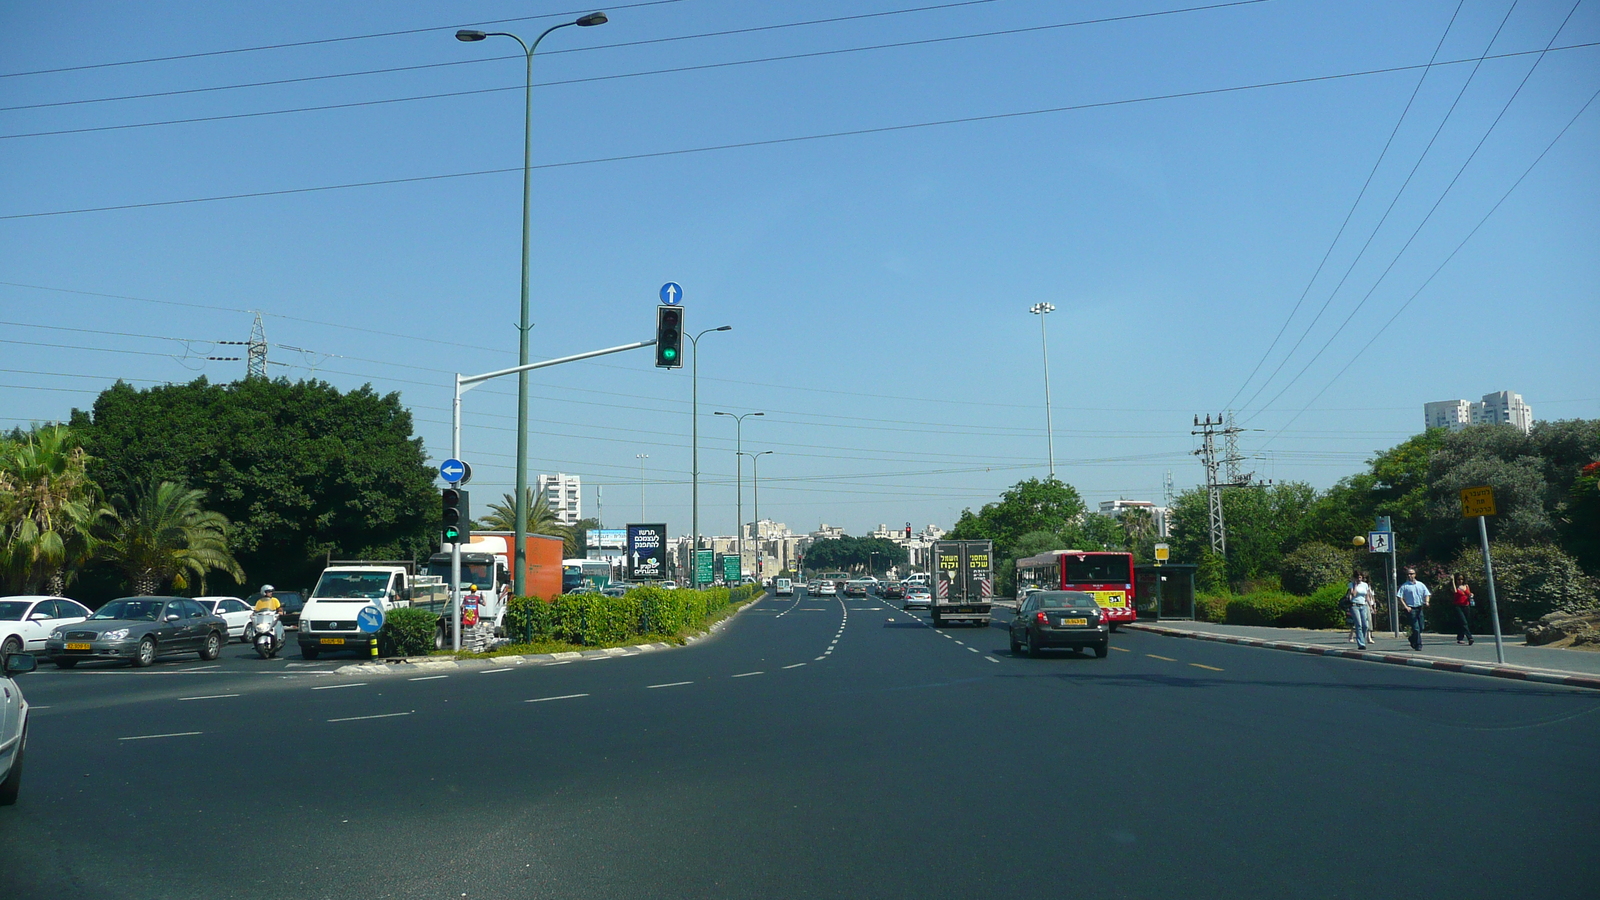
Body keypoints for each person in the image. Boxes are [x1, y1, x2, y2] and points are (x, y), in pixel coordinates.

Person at [1397, 568, 1431, 651]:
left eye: (1411, 574)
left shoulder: (1420, 585)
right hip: (1411, 609)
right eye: (1408, 574)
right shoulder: (1405, 586)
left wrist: (1427, 601)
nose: (1410, 575)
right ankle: (1419, 644)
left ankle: (1412, 638)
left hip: (1419, 607)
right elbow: (1400, 597)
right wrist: (1406, 606)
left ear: (1415, 574)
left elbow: (1427, 594)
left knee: (1421, 627)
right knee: (1416, 627)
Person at [1347, 571, 1373, 651]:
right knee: (1359, 624)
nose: (1359, 578)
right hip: (1355, 605)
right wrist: (1355, 585)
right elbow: (1353, 594)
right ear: (1355, 578)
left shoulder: (1365, 585)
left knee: (1365, 625)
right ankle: (1361, 643)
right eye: (1357, 577)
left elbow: (1367, 596)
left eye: (1360, 577)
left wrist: (1371, 606)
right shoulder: (1351, 584)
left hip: (1363, 605)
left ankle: (1362, 637)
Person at [1451, 575, 1475, 645]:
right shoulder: (1455, 587)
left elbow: (1469, 593)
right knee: (1464, 622)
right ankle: (1469, 637)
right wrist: (1452, 581)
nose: (1460, 581)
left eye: (1462, 579)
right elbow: (1455, 591)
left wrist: (1471, 595)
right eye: (1458, 579)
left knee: (1464, 622)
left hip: (1466, 605)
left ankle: (1460, 638)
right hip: (1458, 606)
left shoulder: (1466, 586)